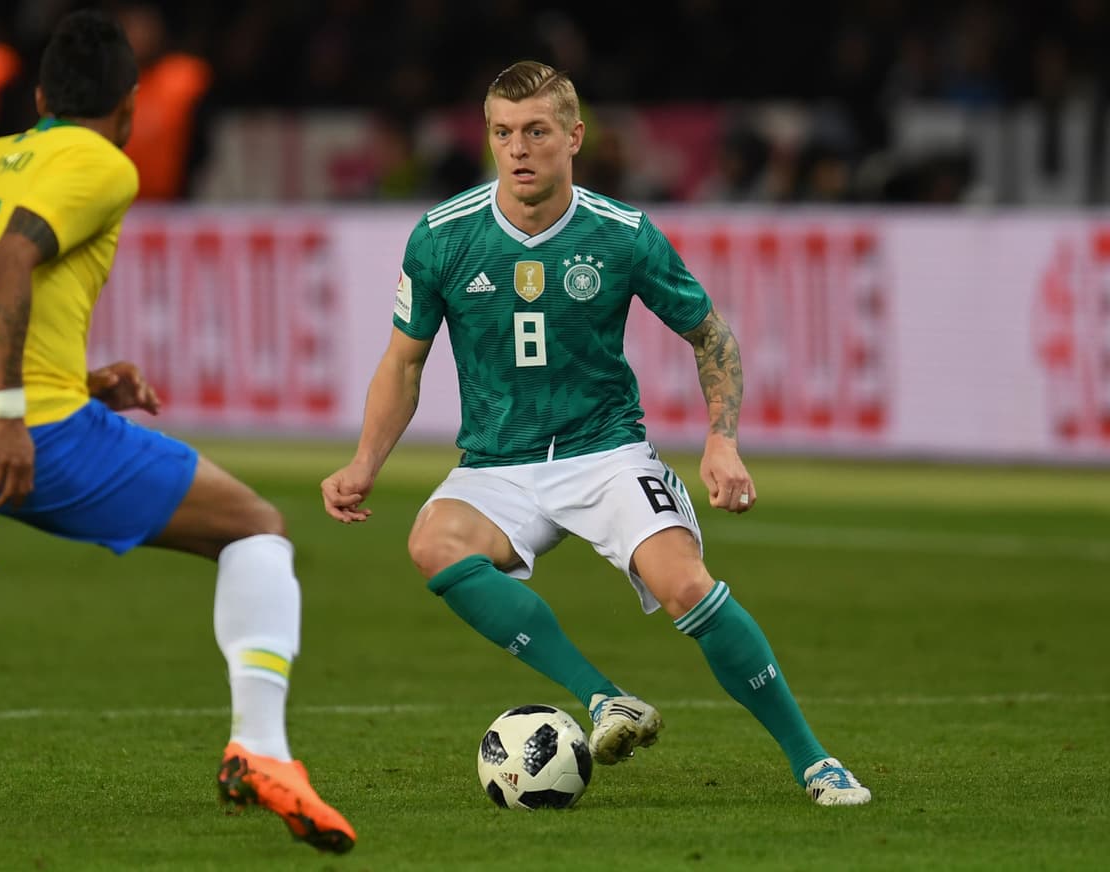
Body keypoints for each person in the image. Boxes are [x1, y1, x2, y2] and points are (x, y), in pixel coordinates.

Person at [0, 10, 354, 857]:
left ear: (38, 96)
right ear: (131, 105)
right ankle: (261, 748)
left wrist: (79, 381)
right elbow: (5, 268)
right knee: (256, 529)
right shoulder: (100, 160)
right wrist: (12, 416)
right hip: (25, 429)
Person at [321, 61, 871, 807]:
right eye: (503, 133)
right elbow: (402, 363)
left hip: (605, 452)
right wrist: (364, 461)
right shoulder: (442, 237)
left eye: (536, 132)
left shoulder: (622, 236)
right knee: (432, 543)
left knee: (686, 587)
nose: (518, 150)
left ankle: (815, 761)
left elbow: (711, 337)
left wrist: (723, 439)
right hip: (496, 463)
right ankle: (606, 698)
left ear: (574, 137)